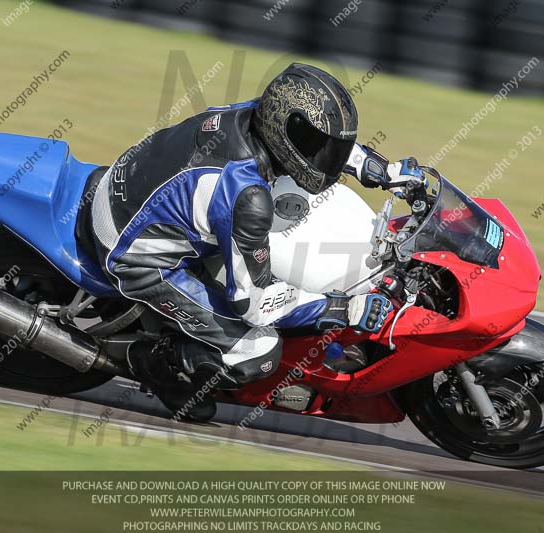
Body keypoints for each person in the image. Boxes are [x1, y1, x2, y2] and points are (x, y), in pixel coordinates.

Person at [85, 63, 425, 421]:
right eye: (319, 147)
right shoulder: (247, 197)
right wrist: (342, 309)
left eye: (329, 147)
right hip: (132, 252)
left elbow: (322, 142)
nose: (327, 157)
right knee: (259, 351)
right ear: (286, 131)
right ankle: (155, 362)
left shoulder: (254, 115)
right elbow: (255, 303)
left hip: (132, 188)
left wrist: (384, 171)